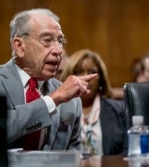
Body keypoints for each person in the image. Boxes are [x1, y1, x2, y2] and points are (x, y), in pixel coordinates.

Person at [0, 8, 98, 151]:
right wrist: (52, 100)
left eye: (60, 41)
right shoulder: (61, 96)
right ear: (19, 46)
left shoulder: (71, 100)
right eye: (47, 40)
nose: (58, 50)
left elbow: (74, 157)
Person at [60, 49, 127, 155]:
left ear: (101, 78)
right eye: (79, 72)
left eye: (92, 72)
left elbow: (127, 151)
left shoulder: (120, 110)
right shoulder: (58, 111)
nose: (86, 77)